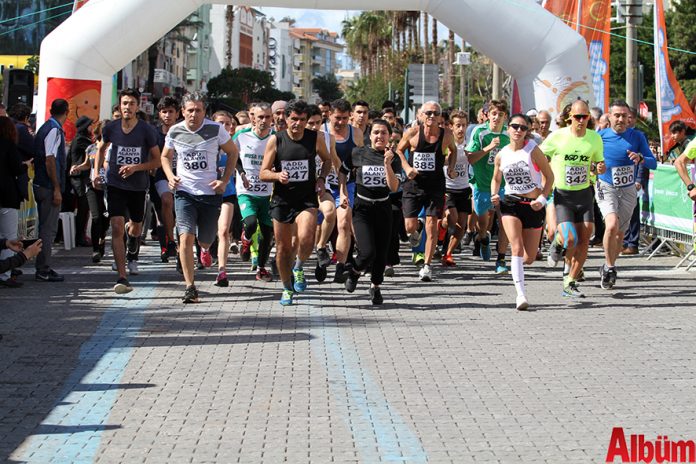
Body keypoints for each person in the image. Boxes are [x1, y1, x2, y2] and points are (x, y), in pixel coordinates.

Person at [161, 92, 239, 303]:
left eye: (198, 110)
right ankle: (190, 287)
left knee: (206, 238)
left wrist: (223, 180)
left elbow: (233, 153)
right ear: (183, 112)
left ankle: (205, 249)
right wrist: (170, 177)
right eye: (190, 110)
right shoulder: (175, 131)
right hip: (184, 192)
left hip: (210, 193)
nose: (194, 114)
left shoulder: (216, 130)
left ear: (205, 112)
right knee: (185, 237)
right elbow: (165, 156)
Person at [259, 99, 333, 306]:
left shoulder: (315, 138)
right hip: (283, 200)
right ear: (286, 118)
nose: (298, 124)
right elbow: (263, 173)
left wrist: (321, 179)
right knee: (283, 249)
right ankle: (286, 287)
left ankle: (299, 267)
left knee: (307, 238)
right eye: (294, 119)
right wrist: (277, 176)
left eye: (302, 120)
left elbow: (327, 161)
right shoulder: (276, 140)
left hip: (306, 198)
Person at [94, 89, 161, 294]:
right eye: (124, 103)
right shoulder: (111, 128)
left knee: (135, 228)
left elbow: (157, 160)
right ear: (120, 105)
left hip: (138, 185)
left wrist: (136, 168)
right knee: (116, 227)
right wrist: (97, 172)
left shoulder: (146, 130)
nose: (127, 107)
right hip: (115, 184)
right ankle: (122, 275)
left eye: (131, 103)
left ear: (137, 107)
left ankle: (133, 244)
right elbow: (100, 149)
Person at [542, 99, 605, 298]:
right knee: (570, 238)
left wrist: (600, 168)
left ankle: (570, 281)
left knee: (585, 239)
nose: (581, 120)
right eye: (577, 116)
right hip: (563, 194)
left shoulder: (594, 138)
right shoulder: (558, 137)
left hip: (585, 193)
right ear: (570, 118)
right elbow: (539, 155)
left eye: (584, 116)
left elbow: (598, 163)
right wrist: (545, 177)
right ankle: (557, 243)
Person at [491, 114, 554, 310]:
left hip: (533, 205)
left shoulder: (532, 150)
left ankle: (522, 267)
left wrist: (542, 199)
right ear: (508, 129)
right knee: (516, 248)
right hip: (511, 203)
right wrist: (494, 194)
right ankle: (521, 295)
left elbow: (549, 177)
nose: (518, 130)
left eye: (523, 128)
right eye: (514, 126)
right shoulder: (502, 154)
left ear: (527, 131)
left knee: (529, 257)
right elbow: (496, 179)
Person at [340, 119, 401, 304]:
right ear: (370, 135)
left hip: (383, 207)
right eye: (376, 132)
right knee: (367, 252)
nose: (379, 136)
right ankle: (355, 272)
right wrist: (343, 192)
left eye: (383, 133)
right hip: (362, 208)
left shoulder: (393, 157)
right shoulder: (358, 153)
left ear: (389, 136)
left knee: (382, 254)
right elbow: (342, 171)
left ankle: (375, 287)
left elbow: (393, 186)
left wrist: (387, 164)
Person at [596, 100, 656, 288]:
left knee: (620, 235)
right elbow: (591, 161)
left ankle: (608, 266)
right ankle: (610, 267)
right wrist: (595, 166)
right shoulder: (601, 136)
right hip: (606, 185)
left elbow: (652, 162)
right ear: (610, 116)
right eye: (617, 115)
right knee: (611, 224)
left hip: (628, 189)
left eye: (624, 115)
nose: (621, 119)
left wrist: (640, 158)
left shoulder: (637, 137)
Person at [396, 101, 458, 281]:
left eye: (435, 113)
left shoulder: (446, 135)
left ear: (440, 117)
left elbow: (453, 151)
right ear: (421, 115)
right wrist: (407, 168)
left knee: (432, 225)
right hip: (413, 185)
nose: (432, 116)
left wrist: (451, 168)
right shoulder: (413, 133)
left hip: (435, 186)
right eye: (428, 113)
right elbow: (400, 150)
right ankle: (416, 230)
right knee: (409, 227)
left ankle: (427, 266)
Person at [232, 102, 276, 283]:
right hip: (246, 190)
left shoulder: (276, 138)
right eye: (260, 117)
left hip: (268, 193)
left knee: (267, 233)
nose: (264, 121)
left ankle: (261, 268)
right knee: (250, 224)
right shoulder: (242, 136)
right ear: (253, 118)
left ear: (272, 119)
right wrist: (241, 174)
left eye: (267, 117)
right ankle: (245, 238)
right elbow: (233, 157)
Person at [467, 99, 510, 273]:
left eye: (500, 115)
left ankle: (501, 259)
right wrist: (488, 148)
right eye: (494, 114)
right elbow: (470, 158)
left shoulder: (509, 134)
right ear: (487, 115)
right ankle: (483, 238)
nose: (497, 118)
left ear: (505, 117)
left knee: (504, 221)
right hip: (482, 185)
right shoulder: (479, 132)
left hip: (503, 185)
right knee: (482, 224)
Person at [323, 99, 364, 283]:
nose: (340, 122)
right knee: (319, 225)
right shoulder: (320, 132)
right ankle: (320, 253)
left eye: (345, 118)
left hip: (347, 184)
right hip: (323, 184)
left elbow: (361, 160)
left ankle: (341, 266)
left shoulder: (356, 133)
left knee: (344, 224)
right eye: (337, 118)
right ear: (329, 115)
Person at [33, 98, 69, 282]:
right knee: (48, 229)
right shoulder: (54, 130)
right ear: (67, 112)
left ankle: (43, 266)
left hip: (41, 183)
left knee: (45, 228)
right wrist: (56, 187)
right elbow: (50, 159)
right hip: (47, 186)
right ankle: (43, 268)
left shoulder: (45, 127)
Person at [306, 105, 339, 282]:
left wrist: (341, 179)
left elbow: (334, 162)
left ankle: (321, 247)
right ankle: (297, 266)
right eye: (311, 123)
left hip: (320, 188)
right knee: (303, 237)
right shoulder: (293, 138)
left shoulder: (328, 139)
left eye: (318, 123)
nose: (314, 126)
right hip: (298, 193)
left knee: (329, 211)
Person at [0, 117, 29, 287]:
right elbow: (16, 168)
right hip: (7, 196)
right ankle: (5, 274)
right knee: (9, 236)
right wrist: (25, 165)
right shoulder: (8, 145)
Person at [441, 111, 472, 266]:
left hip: (464, 188)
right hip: (448, 188)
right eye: (457, 125)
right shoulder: (446, 143)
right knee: (451, 220)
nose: (461, 129)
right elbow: (439, 160)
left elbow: (475, 158)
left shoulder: (469, 143)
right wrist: (449, 162)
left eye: (464, 125)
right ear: (451, 127)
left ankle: (447, 254)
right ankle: (441, 229)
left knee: (461, 226)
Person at [152, 96, 180, 263]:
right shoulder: (154, 133)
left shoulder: (184, 131)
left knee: (178, 215)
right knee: (165, 203)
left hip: (183, 176)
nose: (167, 115)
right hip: (160, 176)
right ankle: (168, 243)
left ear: (177, 113)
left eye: (171, 111)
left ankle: (179, 247)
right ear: (159, 114)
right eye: (164, 112)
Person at [67, 116, 94, 247]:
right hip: (79, 179)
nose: (92, 127)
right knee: (83, 208)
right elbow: (94, 150)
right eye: (90, 125)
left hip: (80, 178)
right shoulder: (81, 140)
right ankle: (80, 236)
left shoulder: (81, 139)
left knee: (84, 209)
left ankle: (81, 235)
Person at [84, 121, 109, 263]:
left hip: (109, 187)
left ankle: (102, 238)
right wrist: (77, 167)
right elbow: (87, 164)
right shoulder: (91, 148)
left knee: (106, 219)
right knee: (96, 218)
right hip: (93, 186)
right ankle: (95, 250)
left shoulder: (113, 148)